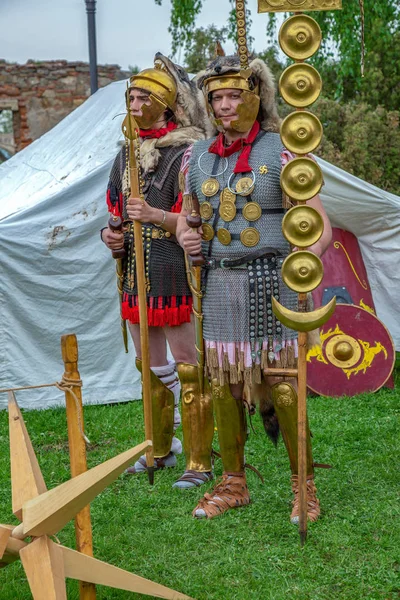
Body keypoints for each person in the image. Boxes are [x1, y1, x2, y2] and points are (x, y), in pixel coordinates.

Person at [176, 55, 332, 520]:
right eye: (216, 97)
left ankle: (304, 486)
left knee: (282, 386)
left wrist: (302, 269)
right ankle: (233, 482)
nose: (225, 106)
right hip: (221, 283)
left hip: (274, 280)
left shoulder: (283, 150)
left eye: (234, 95)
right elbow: (191, 222)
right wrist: (187, 236)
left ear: (256, 96)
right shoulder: (196, 158)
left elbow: (320, 227)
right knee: (223, 384)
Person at [101, 54, 214, 487]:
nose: (134, 102)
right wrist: (111, 237)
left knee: (187, 366)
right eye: (130, 95)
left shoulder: (188, 154)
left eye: (143, 95)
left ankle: (199, 460)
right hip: (135, 273)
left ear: (165, 104)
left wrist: (153, 215)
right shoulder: (124, 155)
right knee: (149, 366)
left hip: (173, 270)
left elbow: (195, 217)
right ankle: (160, 450)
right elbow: (115, 216)